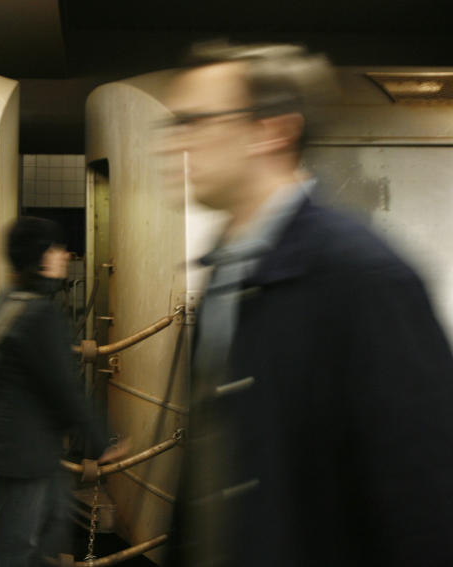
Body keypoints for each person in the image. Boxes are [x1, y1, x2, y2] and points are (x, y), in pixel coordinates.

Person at [159, 42, 453, 566]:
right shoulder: (228, 272)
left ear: (271, 132)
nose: (175, 145)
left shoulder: (363, 277)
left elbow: (425, 502)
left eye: (195, 122)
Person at [0, 217, 126, 567]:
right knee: (19, 546)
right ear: (42, 256)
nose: (65, 256)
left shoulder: (7, 302)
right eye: (58, 249)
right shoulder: (40, 314)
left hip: (11, 448)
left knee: (38, 535)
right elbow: (63, 387)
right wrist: (101, 439)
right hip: (28, 453)